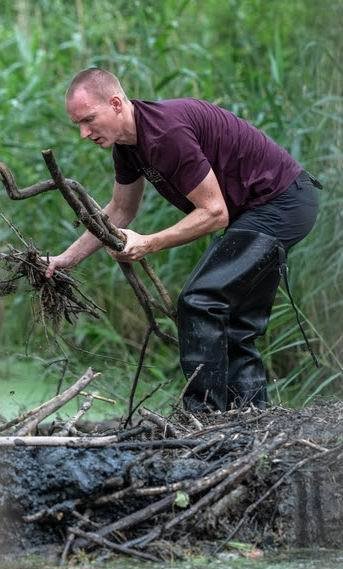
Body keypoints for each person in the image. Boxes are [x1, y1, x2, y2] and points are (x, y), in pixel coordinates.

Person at [46, 67, 321, 412]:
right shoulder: (128, 148)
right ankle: (250, 418)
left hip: (280, 203)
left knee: (200, 299)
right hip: (268, 208)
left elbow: (214, 213)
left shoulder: (164, 134)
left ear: (116, 103)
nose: (84, 133)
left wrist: (148, 242)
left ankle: (203, 416)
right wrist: (65, 260)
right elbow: (119, 210)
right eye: (78, 126)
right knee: (234, 321)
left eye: (89, 120)